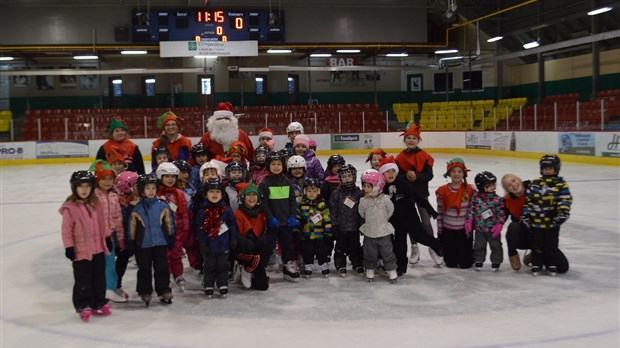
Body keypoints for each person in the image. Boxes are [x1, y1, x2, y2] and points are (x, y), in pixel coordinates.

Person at [60, 170, 113, 322]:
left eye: (87, 186)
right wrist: (69, 247)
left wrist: (107, 236)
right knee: (83, 279)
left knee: (99, 278)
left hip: (98, 249)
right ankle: (83, 304)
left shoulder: (96, 204)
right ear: (74, 188)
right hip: (81, 252)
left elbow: (103, 223)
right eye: (80, 186)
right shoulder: (70, 208)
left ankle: (98, 301)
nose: (84, 189)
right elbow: (66, 231)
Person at [380, 156, 442, 275]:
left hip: (411, 218)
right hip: (396, 222)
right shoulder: (382, 188)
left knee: (420, 237)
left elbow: (417, 197)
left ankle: (437, 245)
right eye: (388, 171)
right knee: (400, 245)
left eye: (393, 170)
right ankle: (401, 268)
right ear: (382, 173)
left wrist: (430, 210)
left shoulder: (402, 184)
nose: (391, 174)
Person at [502, 173, 569, 273]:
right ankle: (513, 254)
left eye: (514, 180)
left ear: (520, 179)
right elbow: (499, 219)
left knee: (562, 267)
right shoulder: (507, 200)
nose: (513, 185)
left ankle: (534, 255)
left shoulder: (535, 189)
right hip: (524, 236)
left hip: (542, 234)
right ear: (507, 190)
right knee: (513, 227)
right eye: (509, 185)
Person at [521, 155, 573, 276]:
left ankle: (551, 264)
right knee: (536, 244)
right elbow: (529, 201)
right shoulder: (535, 183)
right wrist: (526, 215)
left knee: (552, 245)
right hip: (537, 223)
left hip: (551, 223)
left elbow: (565, 200)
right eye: (545, 168)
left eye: (550, 168)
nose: (547, 171)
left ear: (556, 169)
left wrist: (562, 213)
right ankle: (536, 264)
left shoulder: (561, 185)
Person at [129, 174, 175, 306]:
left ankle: (164, 289)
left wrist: (171, 236)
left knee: (162, 267)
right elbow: (131, 226)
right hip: (143, 244)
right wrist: (131, 241)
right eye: (147, 188)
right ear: (142, 190)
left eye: (153, 188)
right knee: (144, 269)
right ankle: (145, 290)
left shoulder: (163, 205)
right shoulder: (137, 208)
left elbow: (169, 222)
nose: (151, 191)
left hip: (160, 242)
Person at [394, 123, 435, 265]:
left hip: (421, 194)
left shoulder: (425, 157)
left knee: (426, 221)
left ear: (418, 140)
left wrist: (417, 176)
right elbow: (397, 177)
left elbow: (429, 175)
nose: (411, 140)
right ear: (404, 140)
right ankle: (414, 247)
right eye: (408, 138)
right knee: (411, 221)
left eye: (414, 138)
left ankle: (432, 246)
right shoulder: (399, 158)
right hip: (407, 195)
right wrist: (407, 177)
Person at [155, 162, 199, 290]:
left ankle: (178, 274)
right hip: (162, 232)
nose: (170, 179)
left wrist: (185, 228)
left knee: (176, 254)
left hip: (178, 231)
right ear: (160, 177)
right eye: (167, 176)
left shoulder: (179, 194)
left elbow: (184, 212)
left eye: (173, 177)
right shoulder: (157, 194)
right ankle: (166, 274)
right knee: (165, 255)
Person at [258, 151, 301, 282]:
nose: (276, 167)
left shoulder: (287, 183)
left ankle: (288, 265)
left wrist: (292, 216)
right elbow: (263, 203)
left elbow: (292, 201)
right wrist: (270, 218)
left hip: (286, 222)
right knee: (268, 246)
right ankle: (260, 268)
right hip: (272, 223)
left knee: (288, 245)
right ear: (268, 165)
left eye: (279, 164)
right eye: (273, 164)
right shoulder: (264, 184)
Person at [89, 160, 128, 303]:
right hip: (95, 237)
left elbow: (117, 218)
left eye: (110, 178)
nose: (107, 182)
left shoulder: (114, 195)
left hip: (109, 237)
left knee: (110, 264)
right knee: (96, 265)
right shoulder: (93, 196)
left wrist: (121, 238)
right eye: (103, 179)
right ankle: (96, 290)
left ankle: (110, 289)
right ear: (97, 179)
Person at [194, 178, 239, 298]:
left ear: (222, 194)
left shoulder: (226, 209)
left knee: (223, 265)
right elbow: (199, 228)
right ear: (205, 194)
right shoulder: (203, 211)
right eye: (211, 192)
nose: (215, 195)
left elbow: (232, 224)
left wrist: (233, 238)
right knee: (209, 265)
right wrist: (202, 243)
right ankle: (208, 284)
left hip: (223, 243)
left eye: (217, 192)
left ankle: (222, 284)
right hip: (209, 245)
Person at [358, 171, 398, 283]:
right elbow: (362, 213)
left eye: (368, 186)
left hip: (383, 231)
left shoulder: (385, 199)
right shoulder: (363, 200)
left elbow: (390, 210)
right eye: (364, 186)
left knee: (387, 252)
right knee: (369, 252)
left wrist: (383, 221)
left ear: (377, 186)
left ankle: (391, 269)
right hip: (370, 232)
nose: (365, 189)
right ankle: (370, 269)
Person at [435, 158, 475, 269]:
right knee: (451, 263)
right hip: (449, 231)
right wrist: (440, 231)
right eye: (453, 171)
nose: (456, 174)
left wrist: (471, 224)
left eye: (459, 171)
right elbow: (440, 213)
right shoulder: (442, 191)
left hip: (464, 231)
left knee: (465, 264)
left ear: (464, 173)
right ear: (449, 173)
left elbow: (474, 209)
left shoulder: (471, 189)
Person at [233, 182, 271, 291]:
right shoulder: (237, 214)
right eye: (249, 195)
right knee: (256, 257)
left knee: (262, 286)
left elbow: (266, 231)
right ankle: (245, 268)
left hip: (258, 249)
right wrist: (245, 242)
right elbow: (236, 234)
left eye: (254, 195)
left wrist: (263, 240)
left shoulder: (262, 213)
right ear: (243, 197)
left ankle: (253, 269)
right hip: (244, 249)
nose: (252, 198)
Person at [466, 171, 506, 272]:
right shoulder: (475, 199)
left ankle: (496, 261)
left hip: (493, 229)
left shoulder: (498, 199)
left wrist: (500, 223)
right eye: (489, 185)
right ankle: (479, 260)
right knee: (479, 245)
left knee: (496, 245)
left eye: (494, 184)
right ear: (481, 186)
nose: (493, 187)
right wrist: (469, 221)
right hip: (480, 229)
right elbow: (471, 210)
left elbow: (501, 213)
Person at [329, 164, 364, 276]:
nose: (347, 178)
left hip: (354, 226)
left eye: (349, 175)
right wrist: (334, 225)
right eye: (344, 176)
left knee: (355, 246)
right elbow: (333, 210)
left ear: (354, 176)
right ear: (340, 178)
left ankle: (357, 262)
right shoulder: (336, 193)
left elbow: (362, 211)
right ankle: (340, 263)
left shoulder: (359, 193)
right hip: (341, 227)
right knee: (340, 246)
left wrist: (362, 224)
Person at [296, 178, 332, 278]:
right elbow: (297, 217)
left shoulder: (322, 205)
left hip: (319, 234)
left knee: (321, 251)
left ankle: (323, 265)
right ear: (304, 192)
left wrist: (328, 232)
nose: (312, 193)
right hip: (306, 235)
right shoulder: (301, 205)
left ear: (318, 192)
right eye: (309, 191)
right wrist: (297, 227)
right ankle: (308, 265)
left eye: (314, 191)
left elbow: (327, 219)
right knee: (307, 251)